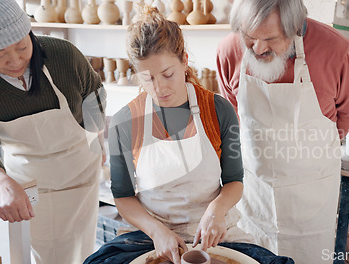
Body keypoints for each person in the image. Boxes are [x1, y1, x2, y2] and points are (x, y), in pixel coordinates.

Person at [84, 6, 294, 264]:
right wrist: (157, 232)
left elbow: (234, 181)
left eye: (167, 74)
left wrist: (216, 212)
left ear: (184, 61)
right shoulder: (124, 123)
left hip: (213, 232)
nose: (159, 88)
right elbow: (123, 196)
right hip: (151, 233)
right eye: (147, 78)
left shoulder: (218, 110)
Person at [0, 0, 106, 263]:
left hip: (81, 173)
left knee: (84, 253)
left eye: (22, 46)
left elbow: (94, 95)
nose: (14, 60)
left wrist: (97, 137)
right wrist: (1, 182)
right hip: (27, 186)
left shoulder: (63, 54)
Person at [216, 0, 349, 263]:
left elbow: (348, 118)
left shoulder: (339, 53)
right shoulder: (229, 51)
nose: (259, 48)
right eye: (249, 37)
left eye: (271, 39)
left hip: (311, 194)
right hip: (256, 192)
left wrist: (306, 150)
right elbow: (233, 114)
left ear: (296, 27)